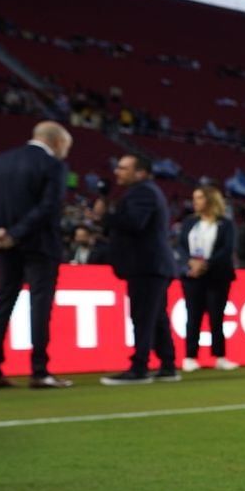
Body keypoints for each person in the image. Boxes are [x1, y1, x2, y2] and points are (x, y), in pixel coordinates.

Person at [0, 121, 75, 389]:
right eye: (66, 147)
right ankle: (39, 371)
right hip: (40, 245)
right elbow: (48, 207)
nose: (65, 152)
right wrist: (15, 233)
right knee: (40, 306)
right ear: (56, 142)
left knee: (3, 301)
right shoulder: (53, 165)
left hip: (3, 246)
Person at [98, 153, 179, 385]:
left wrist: (107, 216)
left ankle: (140, 367)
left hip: (146, 264)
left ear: (140, 172)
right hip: (153, 264)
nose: (117, 172)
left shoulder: (142, 192)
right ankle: (167, 365)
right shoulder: (148, 191)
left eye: (123, 168)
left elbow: (135, 223)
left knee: (143, 316)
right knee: (156, 316)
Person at [177, 184, 238, 373]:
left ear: (210, 200)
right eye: (194, 198)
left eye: (199, 198)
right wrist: (190, 262)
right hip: (192, 276)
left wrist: (205, 264)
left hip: (217, 276)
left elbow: (226, 250)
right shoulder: (189, 222)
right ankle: (190, 356)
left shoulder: (225, 224)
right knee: (193, 316)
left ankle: (219, 356)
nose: (195, 202)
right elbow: (180, 246)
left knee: (216, 316)